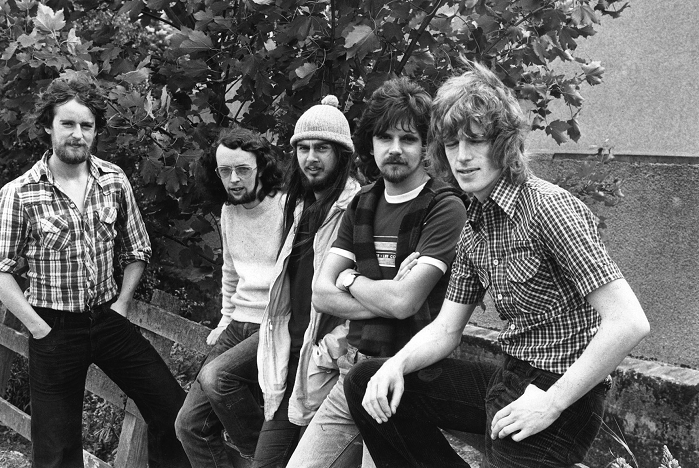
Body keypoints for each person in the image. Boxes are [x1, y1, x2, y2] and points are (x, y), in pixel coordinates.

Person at [344, 61, 650, 468]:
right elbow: (446, 328)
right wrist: (395, 365)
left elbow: (629, 322)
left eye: (477, 141)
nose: (463, 157)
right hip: (507, 378)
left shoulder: (547, 208)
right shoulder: (475, 227)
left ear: (504, 143)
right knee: (368, 383)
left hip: (563, 396)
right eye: (452, 145)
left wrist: (551, 402)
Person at [0, 75, 190, 467]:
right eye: (67, 124)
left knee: (173, 410)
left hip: (108, 320)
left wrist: (122, 303)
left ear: (95, 131)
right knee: (55, 449)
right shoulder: (20, 193)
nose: (77, 134)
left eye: (86, 125)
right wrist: (38, 327)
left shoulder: (113, 180)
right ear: (48, 127)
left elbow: (137, 248)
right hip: (52, 327)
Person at [286, 78, 468, 468]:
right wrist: (385, 294)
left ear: (426, 146)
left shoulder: (445, 207)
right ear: (370, 145)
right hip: (354, 366)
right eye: (385, 138)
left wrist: (350, 280)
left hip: (406, 375)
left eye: (408, 138)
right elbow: (321, 293)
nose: (396, 149)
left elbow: (405, 303)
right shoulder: (362, 203)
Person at [254, 95, 362, 467]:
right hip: (291, 359)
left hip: (326, 368)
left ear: (342, 155)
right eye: (302, 148)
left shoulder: (357, 209)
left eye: (322, 148)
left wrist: (330, 350)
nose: (310, 158)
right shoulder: (299, 208)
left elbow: (365, 296)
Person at [174, 127, 286, 467]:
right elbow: (231, 270)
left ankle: (269, 460)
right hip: (238, 323)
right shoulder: (229, 211)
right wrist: (224, 319)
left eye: (243, 170)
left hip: (272, 325)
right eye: (225, 171)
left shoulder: (286, 206)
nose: (233, 179)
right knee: (189, 426)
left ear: (262, 167)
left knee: (216, 378)